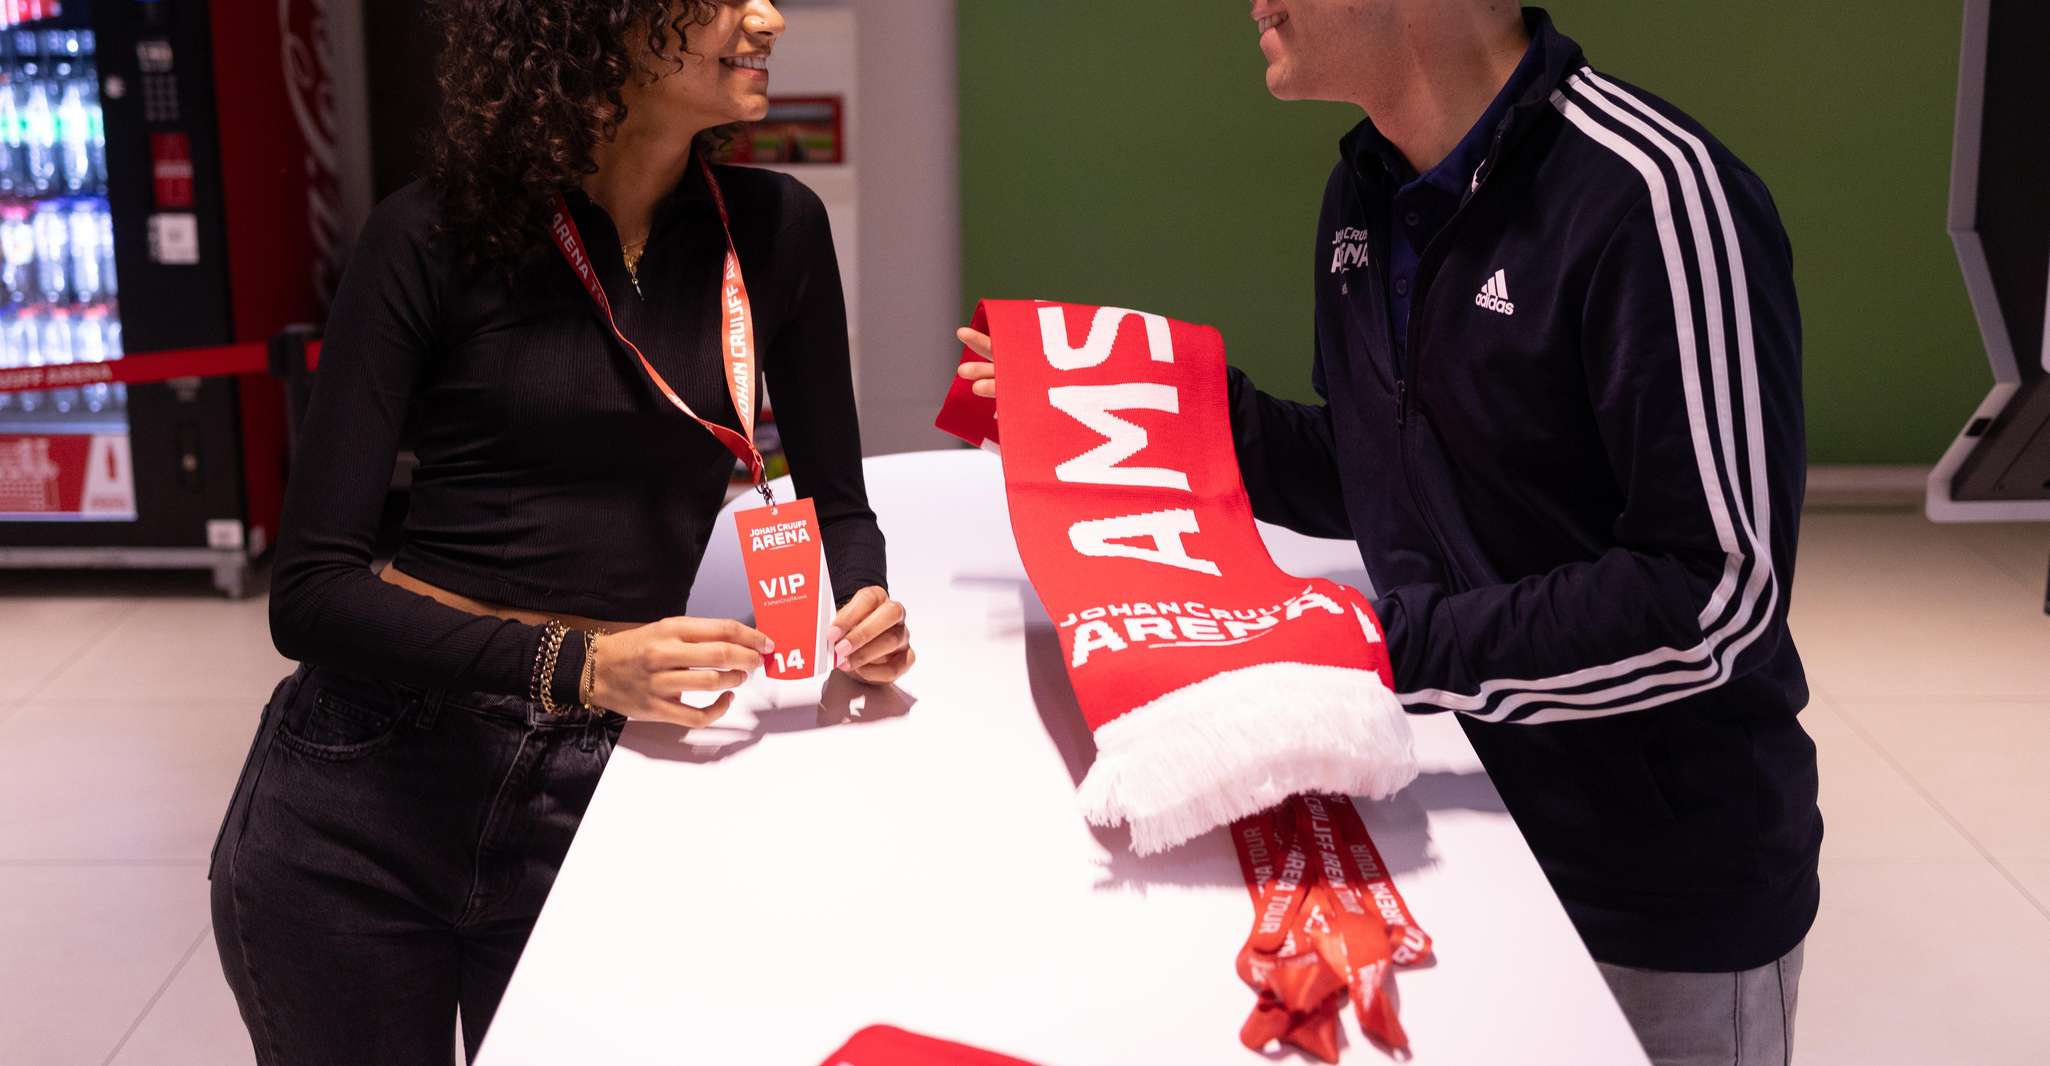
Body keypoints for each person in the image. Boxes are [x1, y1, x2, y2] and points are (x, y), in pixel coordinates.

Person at [957, 4, 1817, 1063]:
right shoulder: (1365, 189)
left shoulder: (1652, 195)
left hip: (1649, 887)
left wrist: (1376, 645)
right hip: (1449, 817)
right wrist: (1141, 408)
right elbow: (1390, 470)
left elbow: (1710, 597)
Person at [209, 2, 913, 1062]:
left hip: (597, 788)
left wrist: (861, 601)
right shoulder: (430, 231)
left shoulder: (775, 230)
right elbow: (312, 592)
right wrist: (580, 664)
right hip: (371, 790)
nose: (766, 16)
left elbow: (840, 504)